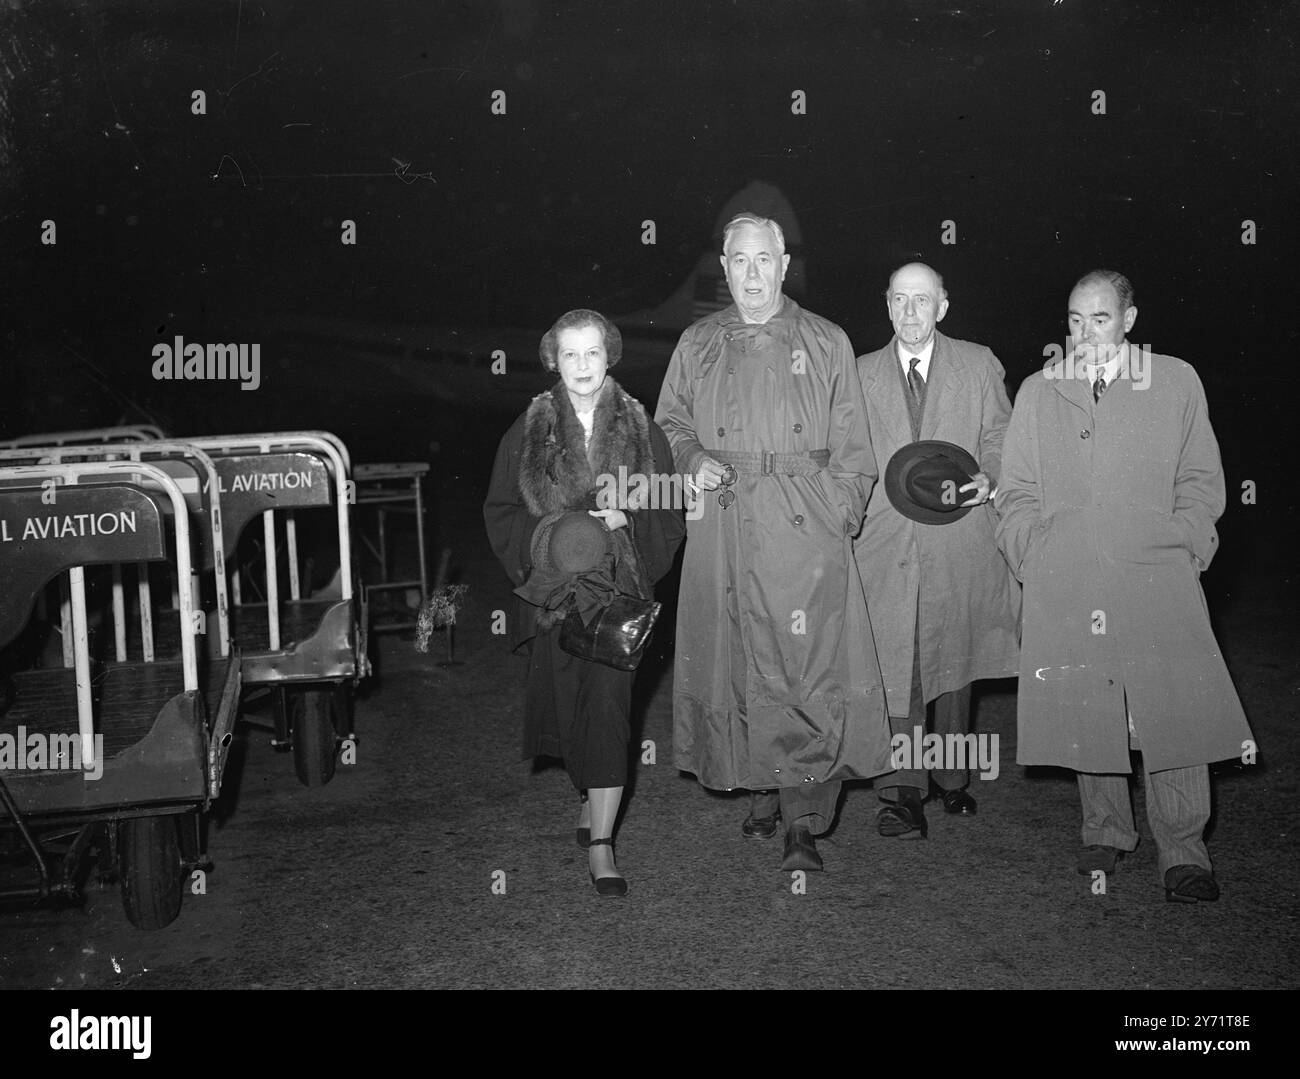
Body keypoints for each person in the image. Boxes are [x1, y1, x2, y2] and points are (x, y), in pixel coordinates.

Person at [994, 270, 1254, 902]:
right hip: (1069, 573)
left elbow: (1200, 479)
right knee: (1089, 698)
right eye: (1075, 320)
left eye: (1101, 319)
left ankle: (1185, 852)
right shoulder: (1039, 390)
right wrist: (1032, 553)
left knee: (1172, 707)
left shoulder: (1175, 381)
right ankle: (1104, 828)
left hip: (1155, 573)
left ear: (1130, 319)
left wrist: (1188, 546)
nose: (1086, 334)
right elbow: (1018, 487)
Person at [654, 213, 892, 871]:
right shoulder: (699, 341)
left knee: (803, 670)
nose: (751, 274)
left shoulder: (824, 340)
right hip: (726, 523)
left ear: (785, 266)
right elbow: (668, 422)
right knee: (732, 660)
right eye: (739, 260)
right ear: (723, 266)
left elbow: (855, 450)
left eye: (764, 260)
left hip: (799, 524)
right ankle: (756, 782)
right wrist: (691, 456)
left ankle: (802, 821)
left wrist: (830, 515)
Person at [484, 309, 685, 897]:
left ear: (609, 356)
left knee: (608, 712)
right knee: (567, 712)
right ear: (553, 359)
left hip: (616, 596)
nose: (581, 366)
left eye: (591, 353)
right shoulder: (528, 430)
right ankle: (589, 794)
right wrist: (548, 537)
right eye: (569, 355)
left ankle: (602, 843)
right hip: (553, 595)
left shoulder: (641, 430)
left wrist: (629, 518)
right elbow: (500, 512)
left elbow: (669, 513)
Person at [853, 263, 1020, 838]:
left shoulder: (979, 363)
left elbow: (1000, 434)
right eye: (899, 299)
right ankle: (902, 790)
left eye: (921, 301)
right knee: (898, 666)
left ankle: (952, 779)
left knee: (954, 663)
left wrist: (992, 478)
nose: (909, 312)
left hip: (959, 538)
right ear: (887, 305)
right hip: (887, 544)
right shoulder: (857, 374)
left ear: (942, 306)